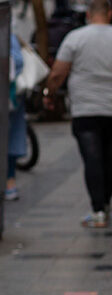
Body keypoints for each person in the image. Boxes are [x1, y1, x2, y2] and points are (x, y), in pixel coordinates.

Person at [44, 0, 112, 228]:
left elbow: (58, 72)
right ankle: (105, 202)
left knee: (92, 159)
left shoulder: (75, 38)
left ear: (89, 14)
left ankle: (98, 209)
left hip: (85, 108)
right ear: (109, 13)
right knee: (110, 156)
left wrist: (49, 93)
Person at [6, 34, 25, 202]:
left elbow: (18, 62)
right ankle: (9, 183)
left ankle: (10, 181)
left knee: (9, 138)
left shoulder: (7, 34)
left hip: (7, 98)